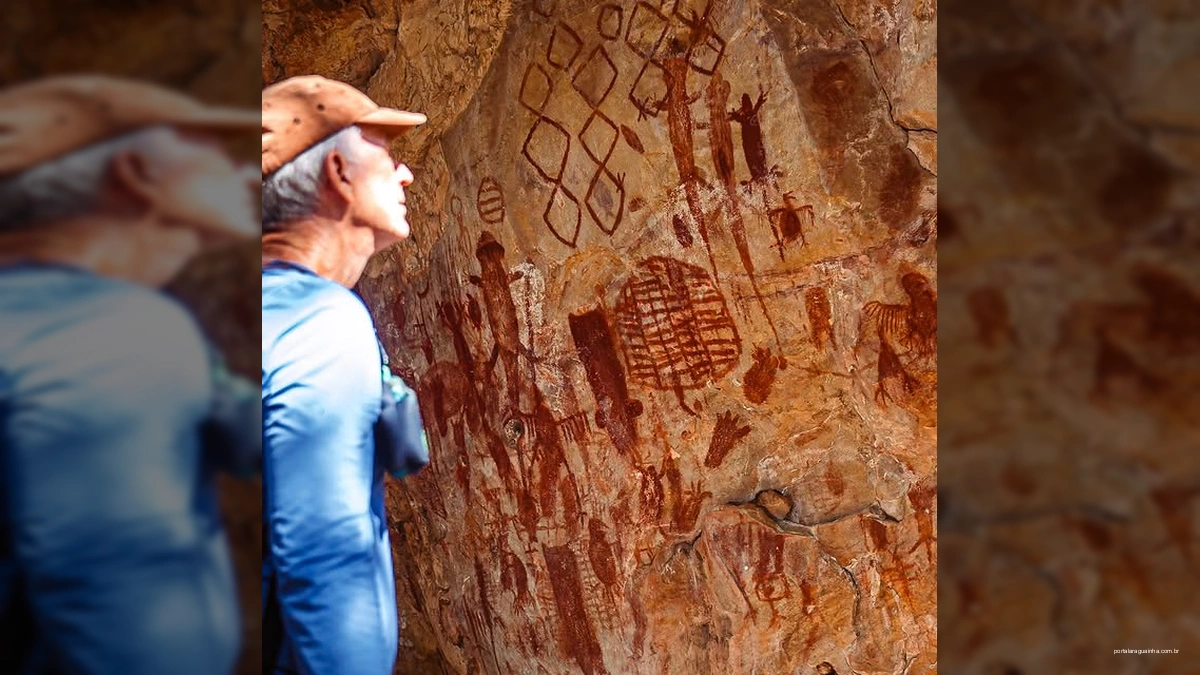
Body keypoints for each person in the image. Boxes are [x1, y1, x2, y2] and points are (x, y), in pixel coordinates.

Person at [0, 75, 261, 674]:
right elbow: (134, 603)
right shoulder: (114, 330)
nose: (247, 174)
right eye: (211, 150)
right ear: (136, 173)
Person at [260, 75, 428, 675]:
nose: (406, 175)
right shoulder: (318, 324)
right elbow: (326, 555)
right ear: (338, 172)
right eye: (387, 153)